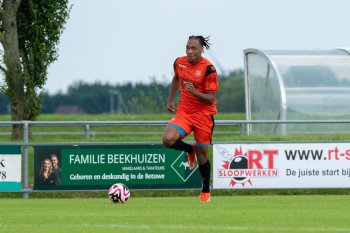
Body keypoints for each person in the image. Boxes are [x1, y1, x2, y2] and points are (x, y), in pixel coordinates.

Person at [162, 35, 219, 202]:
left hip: (203, 116)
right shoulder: (179, 62)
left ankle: (205, 192)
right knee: (167, 139)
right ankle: (189, 149)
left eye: (193, 48)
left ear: (202, 49)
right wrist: (170, 99)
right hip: (185, 113)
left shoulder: (209, 69)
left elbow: (211, 98)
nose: (189, 51)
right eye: (187, 48)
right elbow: (176, 77)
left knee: (202, 157)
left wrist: (194, 91)